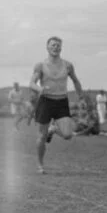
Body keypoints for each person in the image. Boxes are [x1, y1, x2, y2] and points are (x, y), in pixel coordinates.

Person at [30, 36, 88, 173]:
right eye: (53, 45)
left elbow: (75, 81)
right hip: (45, 102)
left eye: (58, 45)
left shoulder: (67, 65)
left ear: (61, 48)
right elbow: (31, 83)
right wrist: (40, 89)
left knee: (68, 134)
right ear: (47, 47)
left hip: (62, 101)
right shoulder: (40, 65)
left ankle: (53, 130)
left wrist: (81, 98)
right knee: (41, 137)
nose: (55, 47)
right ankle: (40, 165)